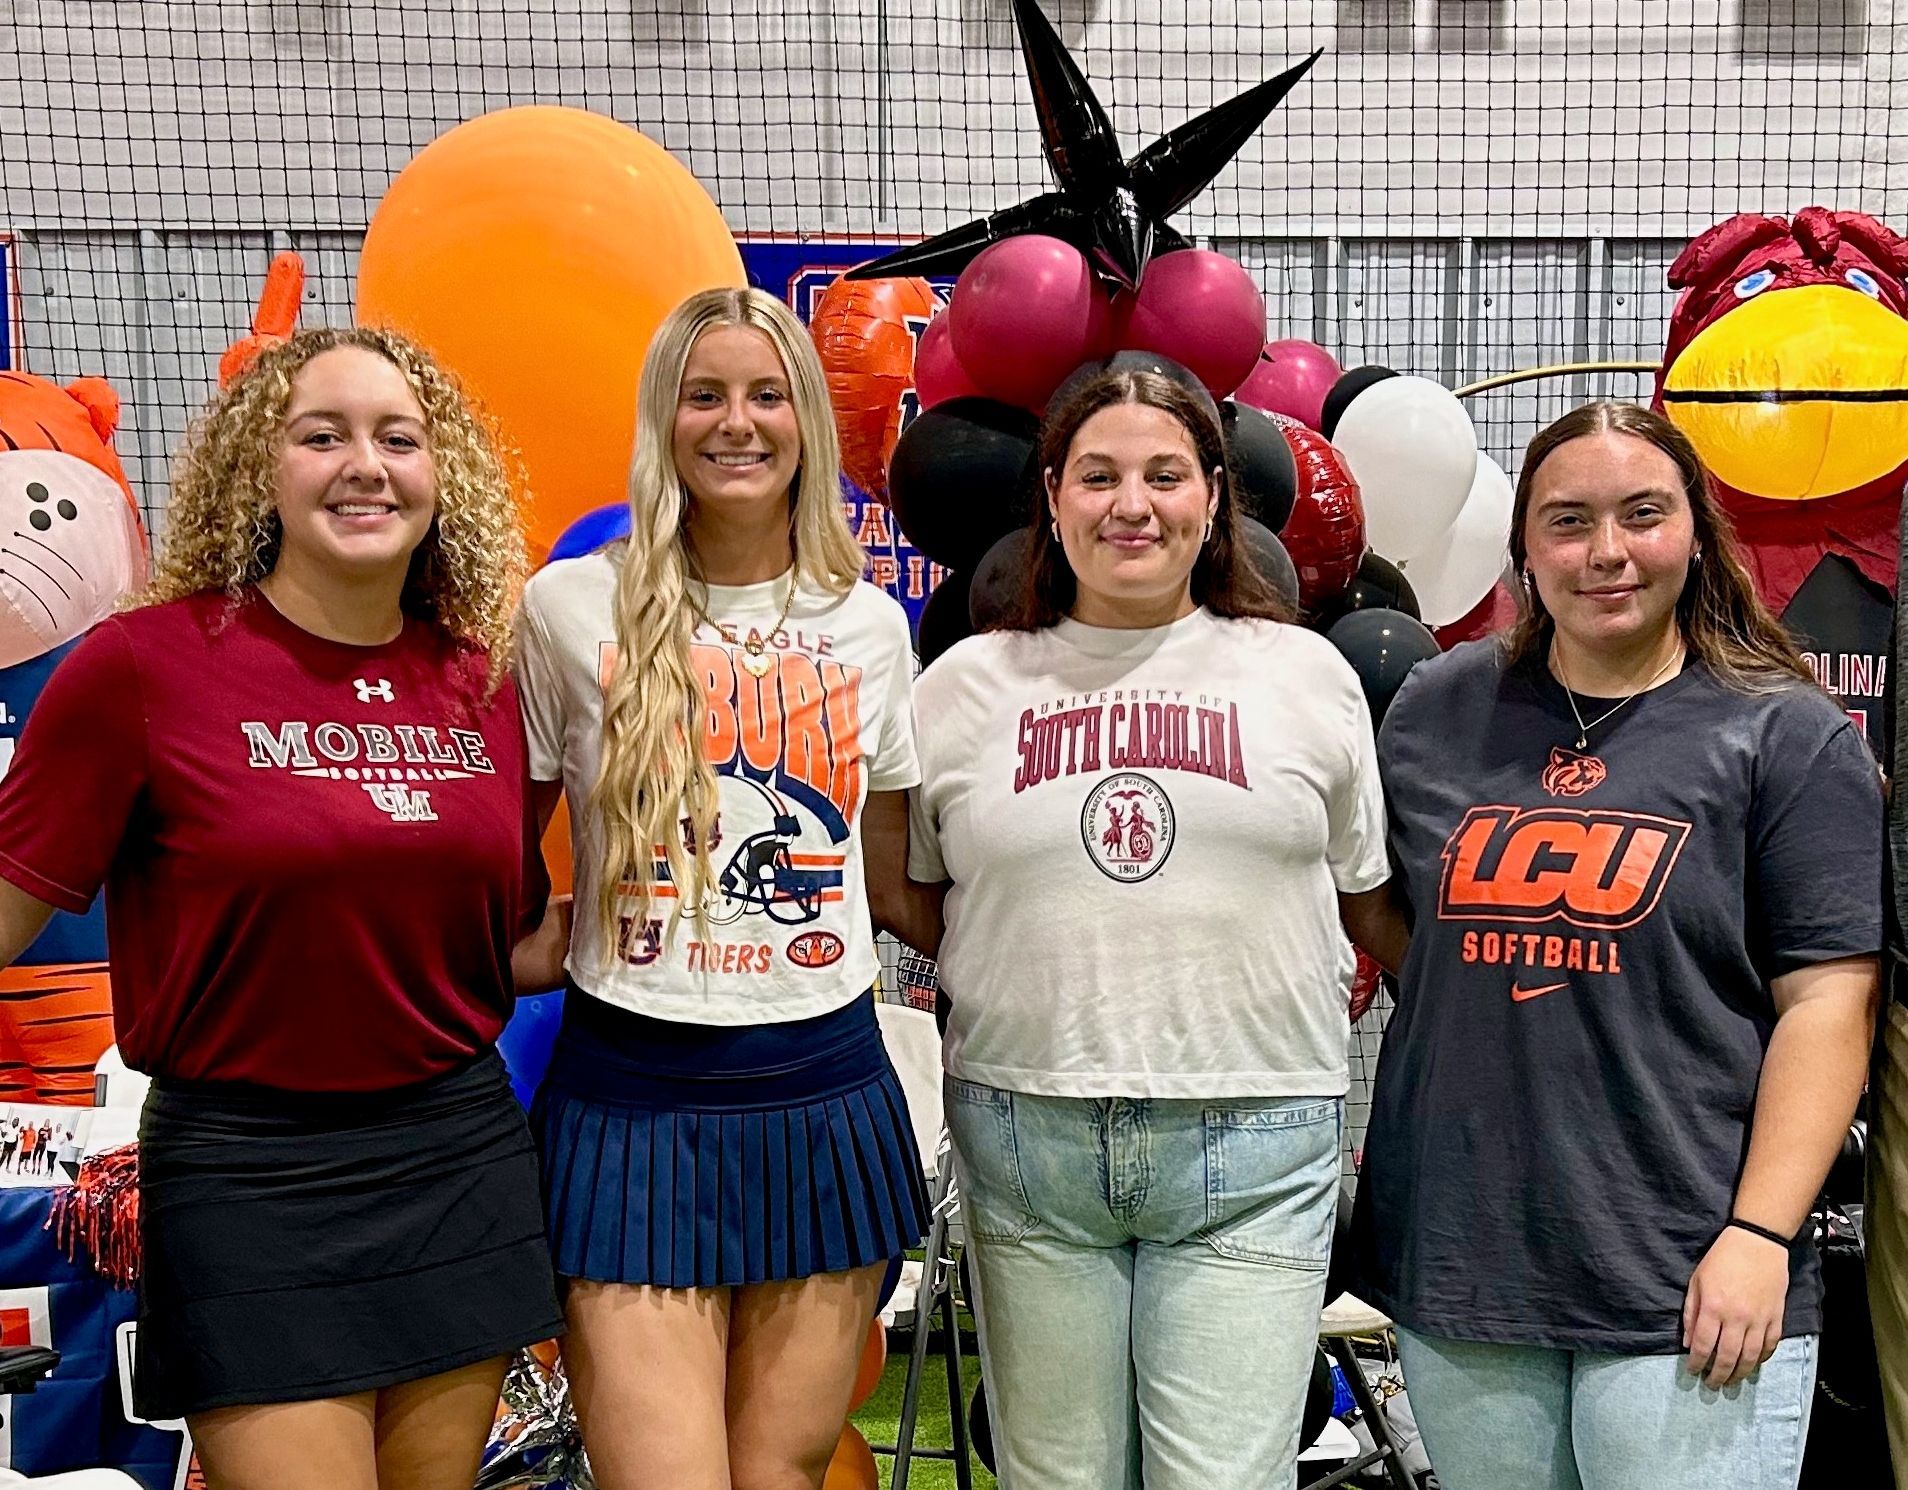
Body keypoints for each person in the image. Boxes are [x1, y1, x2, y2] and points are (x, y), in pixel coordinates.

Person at [0, 325, 565, 1490]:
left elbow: (501, 945)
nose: (365, 463)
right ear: (261, 467)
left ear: (437, 472)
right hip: (248, 1181)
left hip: (455, 1159)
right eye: (324, 434)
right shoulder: (141, 670)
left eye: (397, 437)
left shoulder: (480, 681)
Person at [1349, 401, 1881, 1490]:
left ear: (1696, 529)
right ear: (1527, 548)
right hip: (1469, 1263)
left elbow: (1831, 1003)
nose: (1607, 552)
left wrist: (1760, 1233)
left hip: (1686, 1265)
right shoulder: (1436, 712)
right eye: (1568, 521)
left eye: (1642, 514)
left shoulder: (1782, 732)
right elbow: (1400, 927)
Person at [904, 367, 1399, 1489]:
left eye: (1165, 474)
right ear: (1052, 497)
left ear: (1215, 496)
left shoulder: (1307, 676)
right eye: (1099, 475)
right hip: (1032, 1133)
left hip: (1255, 1129)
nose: (1133, 504)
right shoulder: (967, 687)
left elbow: (1365, 893)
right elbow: (915, 892)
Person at [516, 286, 928, 1490]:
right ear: (664, 419)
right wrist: (528, 943)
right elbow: (488, 848)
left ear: (807, 419)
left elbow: (893, 871)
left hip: (824, 1086)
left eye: (766, 394)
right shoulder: (566, 609)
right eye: (706, 395)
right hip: (631, 1098)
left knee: (779, 1473)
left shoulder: (868, 624)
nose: (736, 423)